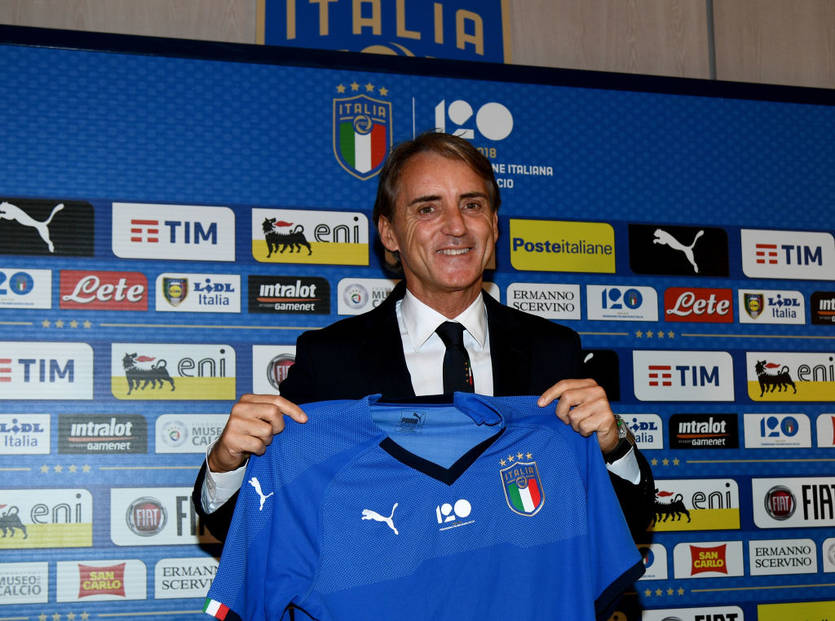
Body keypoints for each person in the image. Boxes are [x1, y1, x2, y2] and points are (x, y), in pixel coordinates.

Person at [192, 131, 654, 543]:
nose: (456, 226)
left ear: (494, 225)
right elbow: (256, 528)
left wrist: (614, 448)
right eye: (428, 208)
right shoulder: (331, 358)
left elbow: (629, 522)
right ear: (389, 233)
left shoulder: (553, 350)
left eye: (472, 205)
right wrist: (228, 464)